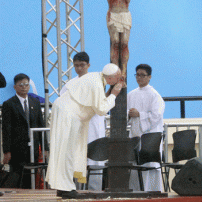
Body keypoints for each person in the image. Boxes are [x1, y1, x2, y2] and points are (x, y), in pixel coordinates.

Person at [46, 63, 123, 199]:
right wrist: (114, 95)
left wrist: (109, 94)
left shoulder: (96, 78)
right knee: (67, 151)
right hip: (68, 115)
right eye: (118, 77)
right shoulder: (96, 82)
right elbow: (101, 109)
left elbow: (96, 101)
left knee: (65, 151)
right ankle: (67, 188)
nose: (119, 80)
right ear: (111, 78)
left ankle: (63, 186)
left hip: (66, 113)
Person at [60, 51, 106, 190]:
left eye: (82, 65)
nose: (79, 68)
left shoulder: (97, 82)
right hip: (77, 129)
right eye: (76, 66)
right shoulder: (69, 85)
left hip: (94, 127)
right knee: (77, 162)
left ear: (88, 65)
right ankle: (76, 191)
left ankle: (94, 192)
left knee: (95, 163)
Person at [2, 73, 49, 188]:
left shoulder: (35, 102)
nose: (24, 87)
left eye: (26, 84)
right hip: (16, 148)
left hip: (33, 148)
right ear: (15, 87)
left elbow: (41, 126)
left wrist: (45, 148)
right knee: (17, 178)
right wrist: (6, 151)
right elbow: (6, 129)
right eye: (21, 85)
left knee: (31, 177)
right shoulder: (8, 104)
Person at [127, 64, 165, 192]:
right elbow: (126, 112)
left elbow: (156, 115)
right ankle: (136, 192)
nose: (139, 77)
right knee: (135, 166)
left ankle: (152, 192)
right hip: (135, 133)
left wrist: (140, 114)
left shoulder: (155, 96)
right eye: (137, 74)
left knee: (149, 165)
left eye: (142, 75)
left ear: (149, 77)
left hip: (150, 137)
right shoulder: (131, 94)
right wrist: (129, 114)